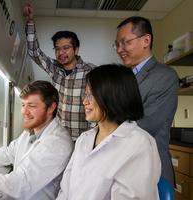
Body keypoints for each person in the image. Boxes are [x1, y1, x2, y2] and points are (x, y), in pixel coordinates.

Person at [56, 64, 161, 200]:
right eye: (85, 94)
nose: (84, 101)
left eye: (91, 95)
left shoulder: (139, 144)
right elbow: (65, 189)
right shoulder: (84, 139)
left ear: (112, 96)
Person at [114, 16, 179, 186]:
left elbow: (144, 126)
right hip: (121, 170)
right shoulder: (122, 77)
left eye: (125, 42)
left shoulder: (165, 76)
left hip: (150, 170)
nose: (120, 50)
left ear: (146, 40)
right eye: (117, 44)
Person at [24, 2, 96, 140]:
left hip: (82, 137)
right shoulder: (54, 68)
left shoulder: (91, 71)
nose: (61, 52)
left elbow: (98, 103)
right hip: (59, 137)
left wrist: (93, 136)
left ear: (76, 49)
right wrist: (30, 21)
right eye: (57, 49)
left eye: (66, 48)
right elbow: (34, 52)